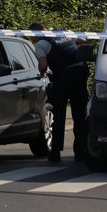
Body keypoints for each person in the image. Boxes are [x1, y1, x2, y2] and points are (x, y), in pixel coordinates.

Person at [29, 22, 89, 162]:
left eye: (31, 37)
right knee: (80, 116)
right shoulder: (64, 32)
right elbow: (83, 41)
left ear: (35, 35)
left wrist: (43, 72)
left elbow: (43, 65)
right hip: (80, 76)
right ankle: (80, 152)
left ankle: (55, 153)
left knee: (59, 117)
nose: (32, 40)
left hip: (62, 80)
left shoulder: (41, 45)